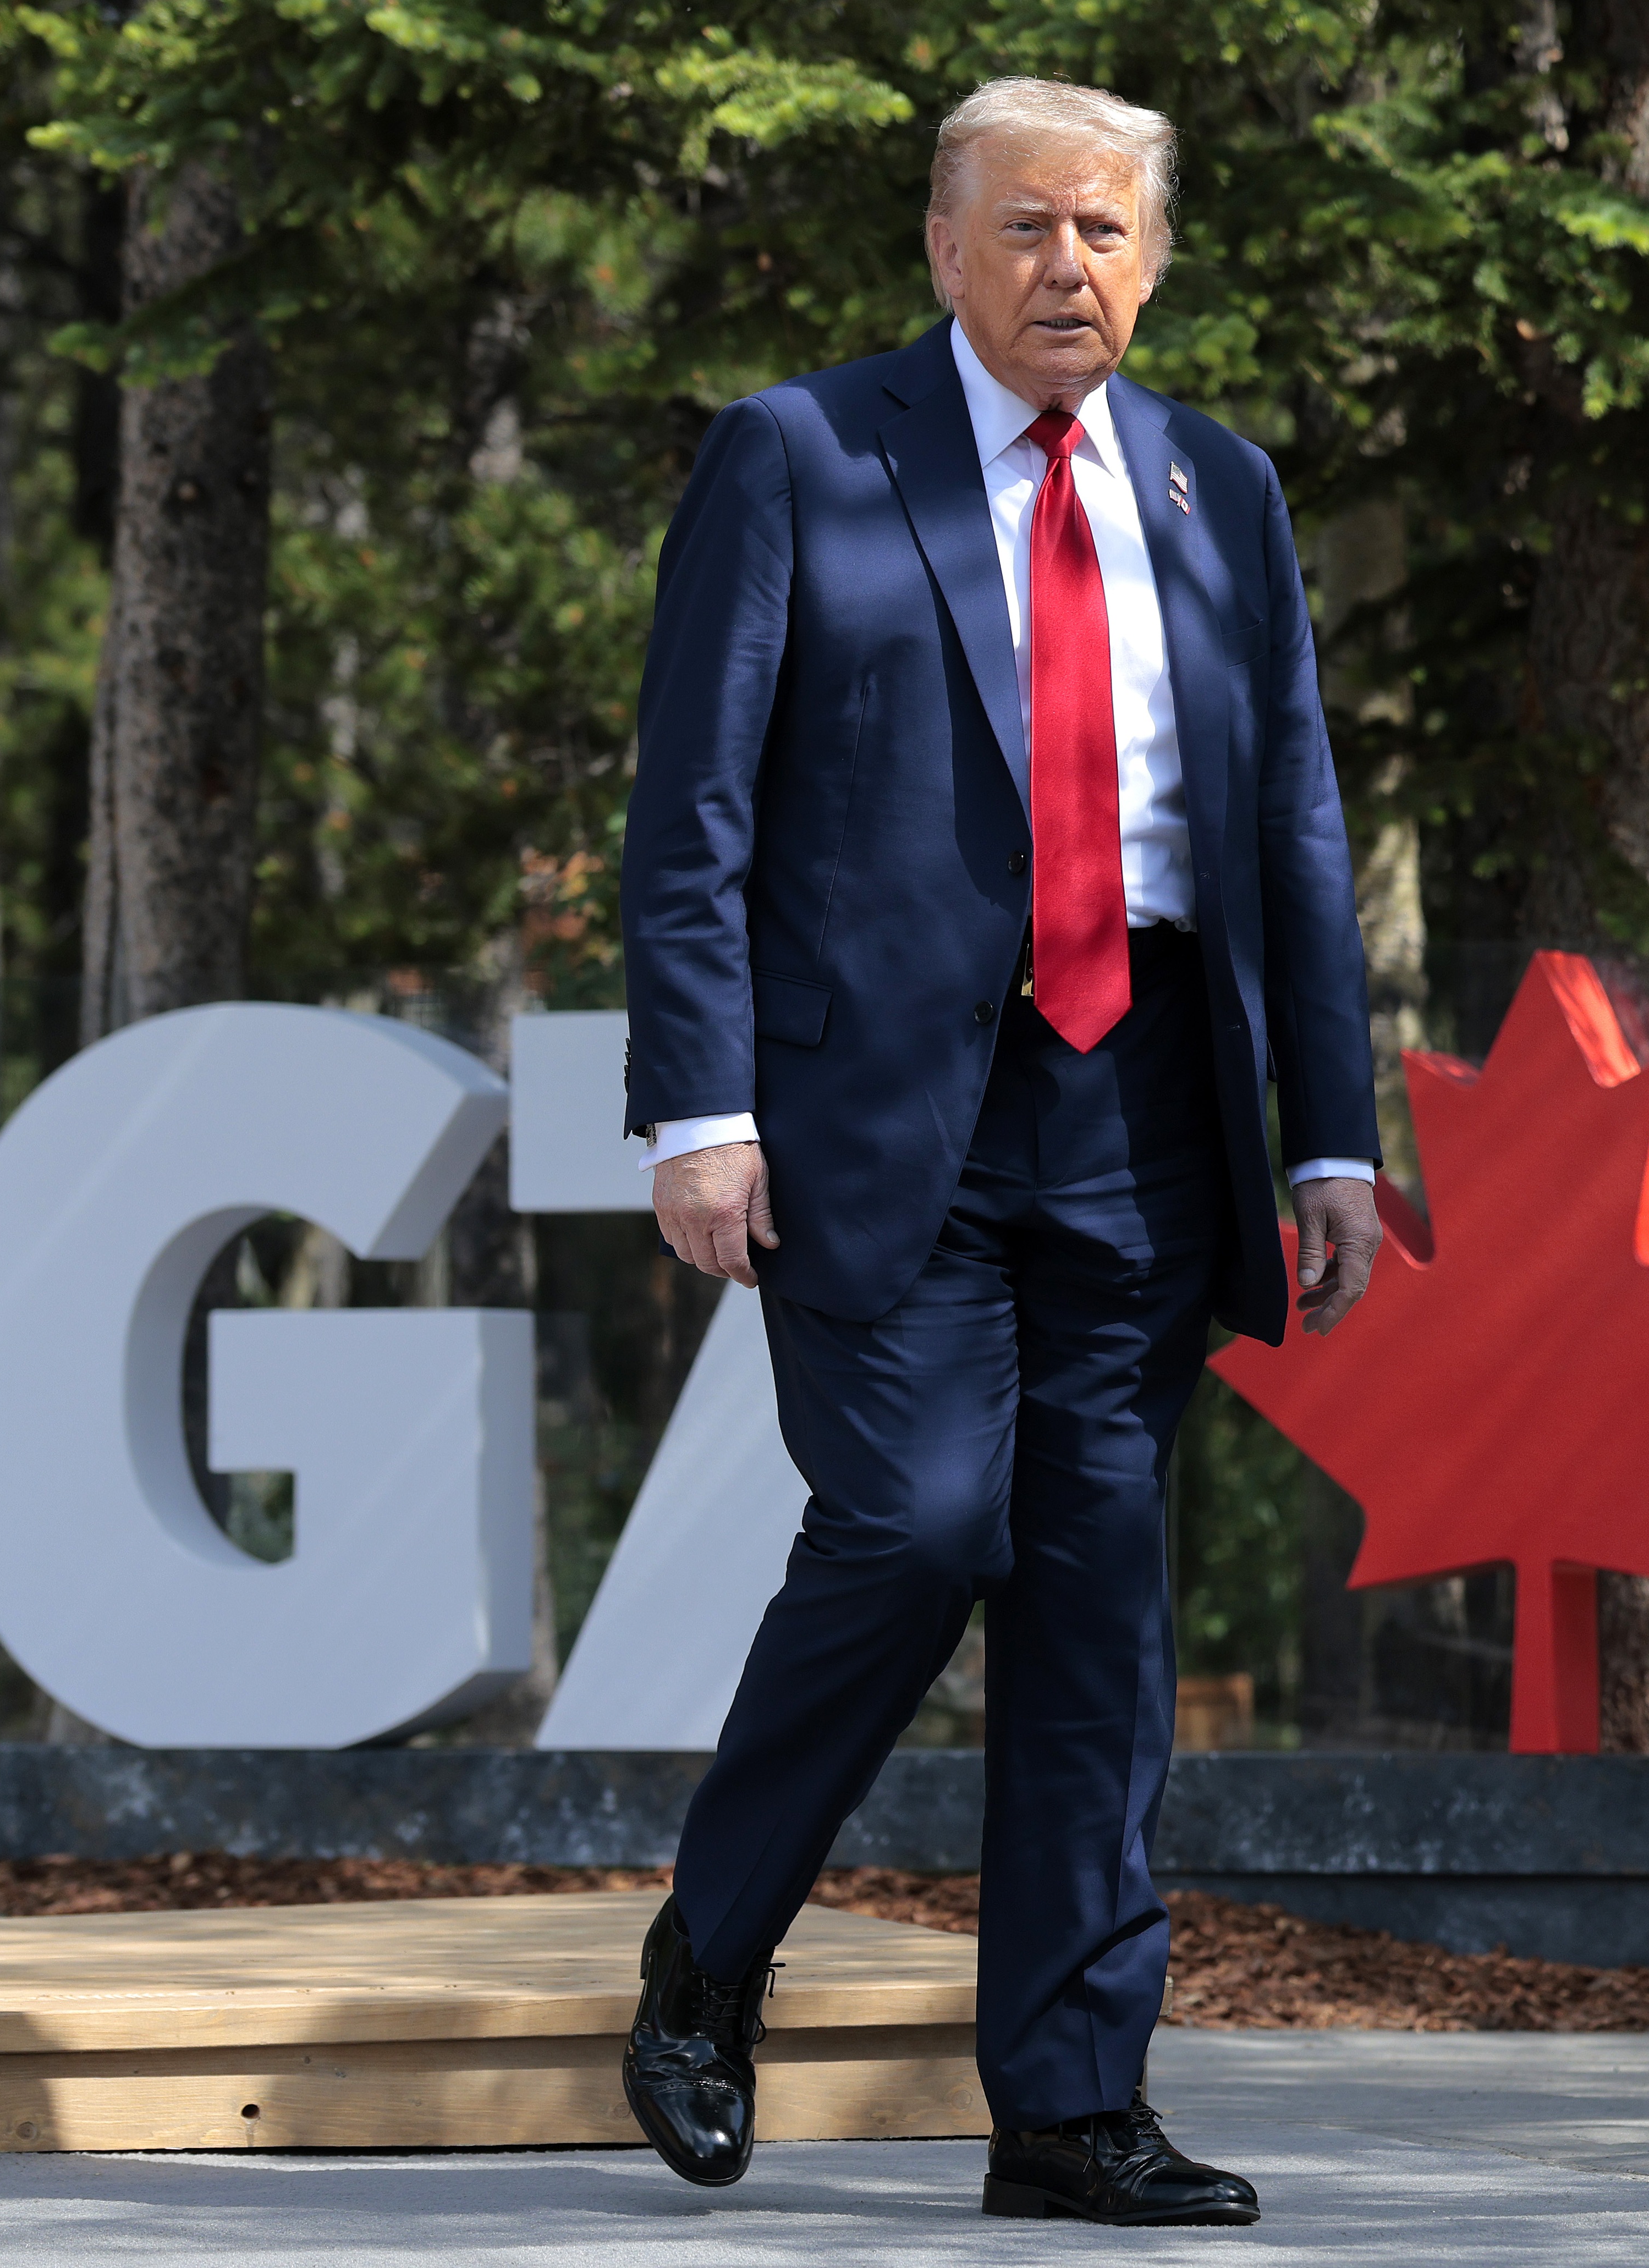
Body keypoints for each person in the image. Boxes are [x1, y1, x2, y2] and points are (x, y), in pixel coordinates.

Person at [612, 76, 1386, 2228]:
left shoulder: (1220, 489)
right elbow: (691, 804)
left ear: (1157, 261)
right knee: (918, 1517)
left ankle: (1068, 2103)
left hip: (1143, 1104)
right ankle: (709, 1953)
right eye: (1028, 226)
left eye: (1106, 230)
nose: (1069, 266)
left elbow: (1291, 830)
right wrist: (698, 1108)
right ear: (944, 248)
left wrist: (1328, 1136)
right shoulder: (800, 452)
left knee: (1093, 1602)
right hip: (878, 1119)